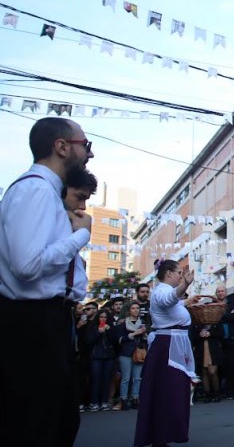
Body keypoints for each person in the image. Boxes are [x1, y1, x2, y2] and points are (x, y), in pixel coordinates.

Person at [0, 117, 94, 446]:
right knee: (36, 423)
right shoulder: (35, 190)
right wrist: (80, 237)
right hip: (32, 321)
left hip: (48, 319)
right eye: (86, 146)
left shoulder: (47, 193)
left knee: (59, 420)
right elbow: (27, 265)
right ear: (62, 146)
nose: (89, 155)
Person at [133, 260, 206, 447]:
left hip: (174, 343)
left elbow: (173, 303)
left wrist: (186, 300)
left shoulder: (163, 291)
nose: (181, 276)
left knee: (172, 392)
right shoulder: (161, 291)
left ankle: (162, 435)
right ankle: (160, 437)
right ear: (168, 273)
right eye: (179, 273)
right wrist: (185, 285)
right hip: (168, 345)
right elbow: (168, 299)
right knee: (168, 392)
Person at [114, 301, 147, 410]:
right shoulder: (122, 323)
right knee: (126, 378)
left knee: (137, 378)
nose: (136, 310)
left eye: (137, 308)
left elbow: (144, 339)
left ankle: (135, 398)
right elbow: (119, 340)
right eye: (133, 308)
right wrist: (134, 333)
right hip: (126, 353)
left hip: (138, 352)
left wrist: (144, 334)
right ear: (128, 310)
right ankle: (123, 400)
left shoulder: (142, 322)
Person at [85, 309, 118, 411]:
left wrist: (109, 331)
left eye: (105, 317)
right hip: (96, 357)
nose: (103, 319)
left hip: (109, 357)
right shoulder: (92, 327)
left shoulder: (111, 328)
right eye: (101, 317)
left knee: (106, 380)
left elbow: (115, 341)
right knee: (95, 379)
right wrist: (98, 332)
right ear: (98, 318)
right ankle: (94, 402)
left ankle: (104, 402)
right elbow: (88, 341)